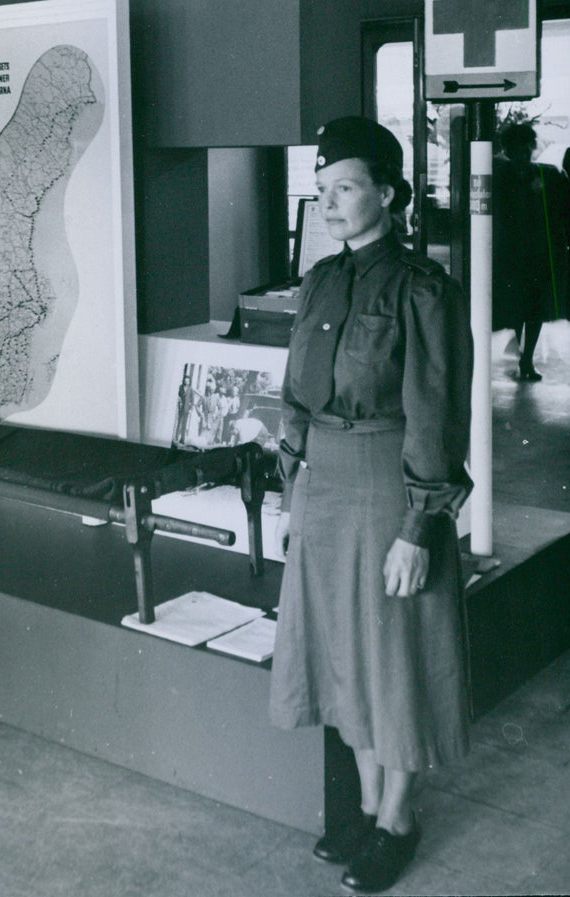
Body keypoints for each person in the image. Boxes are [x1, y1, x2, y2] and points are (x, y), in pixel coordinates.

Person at [269, 117, 473, 893]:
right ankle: (362, 802)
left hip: (390, 479)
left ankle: (397, 819)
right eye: (321, 190)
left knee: (395, 658)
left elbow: (436, 413)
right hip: (321, 482)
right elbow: (294, 394)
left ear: (387, 194)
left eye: (345, 187)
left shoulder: (424, 288)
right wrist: (295, 487)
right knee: (342, 652)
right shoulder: (320, 281)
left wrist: (421, 525)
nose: (329, 202)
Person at [492, 123, 570, 381]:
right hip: (517, 253)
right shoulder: (505, 175)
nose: (524, 151)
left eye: (526, 146)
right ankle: (522, 358)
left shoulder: (546, 175)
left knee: (533, 308)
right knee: (523, 308)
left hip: (529, 254)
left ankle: (525, 359)